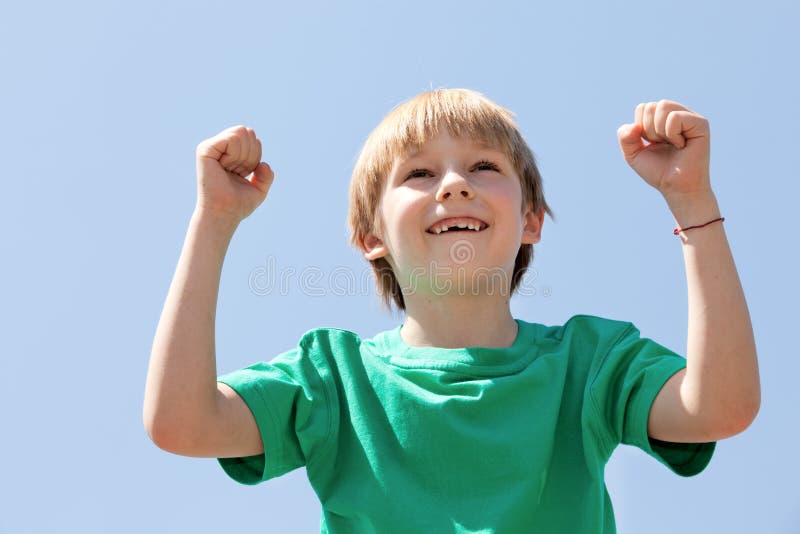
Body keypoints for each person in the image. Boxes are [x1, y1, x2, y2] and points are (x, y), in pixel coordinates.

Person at [143, 89, 761, 533]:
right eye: (418, 173)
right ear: (370, 238)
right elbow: (182, 423)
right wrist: (214, 220)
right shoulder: (332, 378)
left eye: (484, 167)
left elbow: (720, 408)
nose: (455, 185)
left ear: (532, 221)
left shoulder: (590, 362)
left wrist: (691, 201)